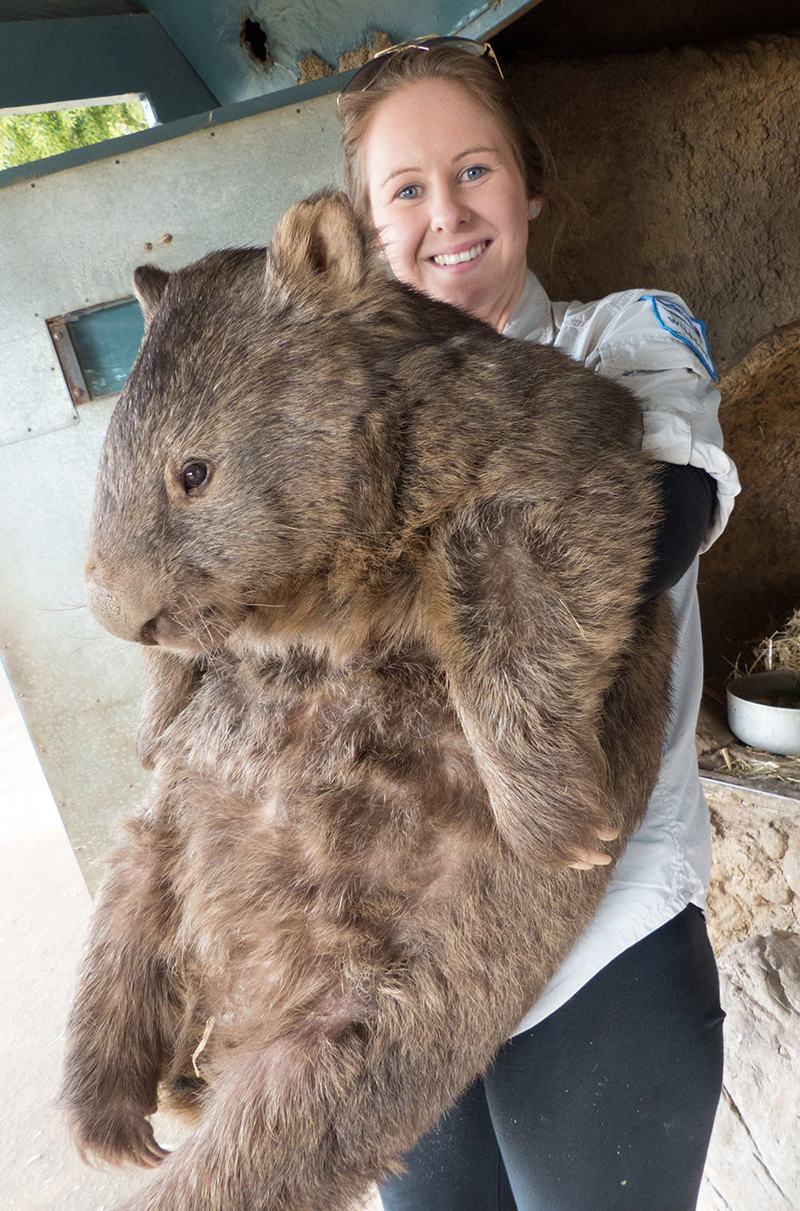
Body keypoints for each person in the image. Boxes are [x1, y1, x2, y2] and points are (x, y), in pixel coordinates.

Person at [336, 37, 741, 1211]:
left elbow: (666, 510)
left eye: (473, 171)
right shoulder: (348, 415)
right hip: (403, 969)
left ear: (528, 188)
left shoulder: (623, 336)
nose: (445, 212)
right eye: (405, 189)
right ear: (366, 232)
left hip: (597, 945)